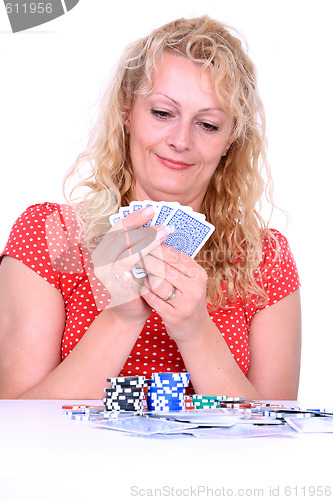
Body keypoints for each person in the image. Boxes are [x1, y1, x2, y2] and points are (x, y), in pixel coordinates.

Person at [0, 15, 301, 400]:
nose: (180, 140)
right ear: (128, 112)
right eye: (162, 113)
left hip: (210, 464)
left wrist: (195, 330)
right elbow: (14, 428)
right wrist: (122, 316)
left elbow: (274, 441)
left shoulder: (265, 259)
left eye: (207, 124)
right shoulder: (49, 234)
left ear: (231, 140)